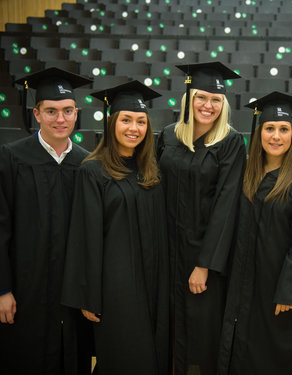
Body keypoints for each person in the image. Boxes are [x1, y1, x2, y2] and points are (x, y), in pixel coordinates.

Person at [61, 80, 170, 375]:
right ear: (111, 123)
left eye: (140, 121)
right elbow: (85, 236)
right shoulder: (92, 170)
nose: (133, 128)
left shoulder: (151, 170)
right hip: (116, 290)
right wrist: (89, 295)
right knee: (123, 359)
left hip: (154, 284)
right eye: (126, 120)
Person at [217, 91, 292, 375]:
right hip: (243, 285)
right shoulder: (246, 173)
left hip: (280, 292)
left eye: (283, 129)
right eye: (269, 128)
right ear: (259, 132)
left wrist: (290, 291)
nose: (276, 136)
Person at [0, 67, 93, 374]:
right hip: (26, 289)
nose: (60, 119)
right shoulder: (12, 159)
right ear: (37, 113)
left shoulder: (87, 163)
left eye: (67, 111)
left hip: (71, 292)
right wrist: (3, 289)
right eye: (51, 111)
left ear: (76, 114)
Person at [156, 62, 246, 375]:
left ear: (224, 104)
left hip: (203, 258)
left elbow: (227, 205)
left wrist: (204, 264)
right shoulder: (168, 136)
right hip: (166, 253)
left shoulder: (231, 143)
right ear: (188, 98)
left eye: (216, 100)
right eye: (201, 97)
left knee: (200, 334)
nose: (208, 105)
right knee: (166, 328)